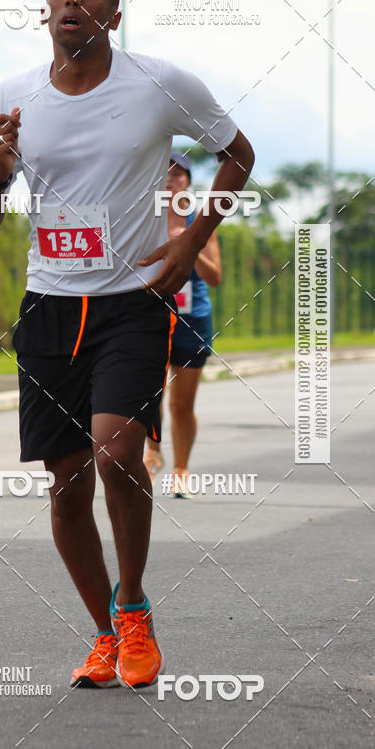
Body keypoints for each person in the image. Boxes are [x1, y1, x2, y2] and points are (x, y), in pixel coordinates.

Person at [0, 0, 254, 688]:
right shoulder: (12, 97)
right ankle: (104, 632)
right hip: (49, 304)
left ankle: (133, 605)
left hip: (132, 300)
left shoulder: (159, 85)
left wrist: (191, 241)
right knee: (66, 483)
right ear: (46, 10)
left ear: (112, 16)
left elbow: (238, 153)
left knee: (116, 451)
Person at [144, 151, 221, 496]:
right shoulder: (146, 219)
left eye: (179, 174)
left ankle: (181, 470)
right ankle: (152, 455)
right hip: (151, 316)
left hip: (192, 320)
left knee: (181, 404)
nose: (172, 178)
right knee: (149, 396)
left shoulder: (199, 222)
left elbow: (214, 276)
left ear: (189, 183)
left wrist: (192, 243)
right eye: (166, 172)